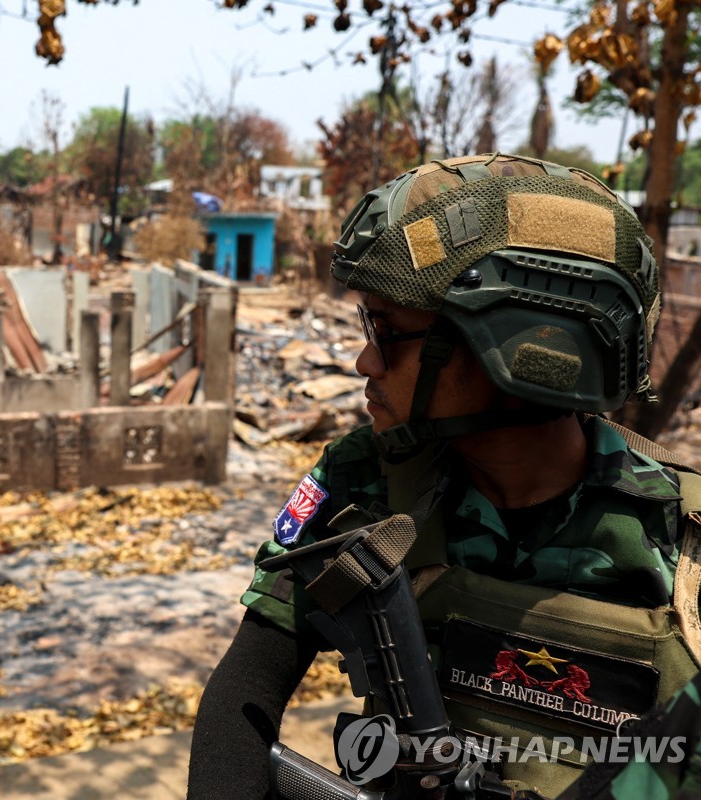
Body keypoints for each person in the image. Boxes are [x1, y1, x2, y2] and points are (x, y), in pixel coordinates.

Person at [186, 153, 701, 799]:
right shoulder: (365, 484)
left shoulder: (685, 540)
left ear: (515, 350)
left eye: (389, 330)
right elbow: (246, 689)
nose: (362, 359)